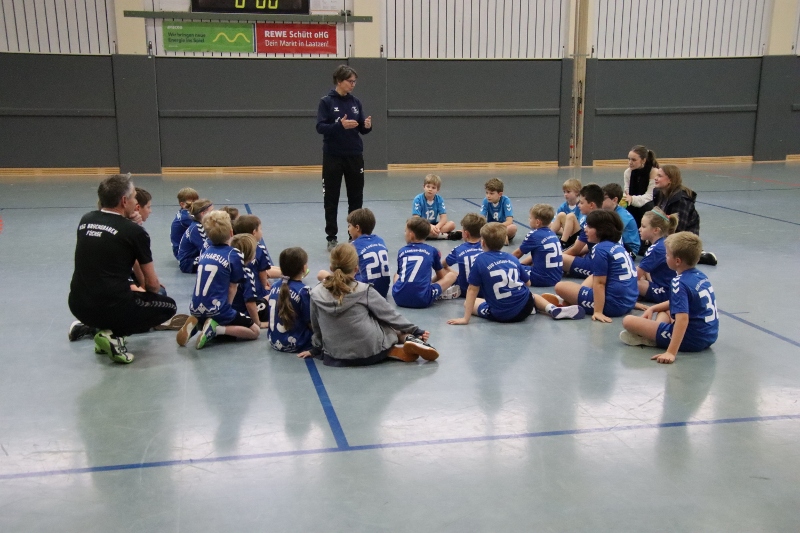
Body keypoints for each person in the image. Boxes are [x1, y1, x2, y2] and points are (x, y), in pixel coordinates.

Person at [68, 174, 177, 364]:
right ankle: (114, 335)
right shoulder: (134, 232)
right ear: (124, 201)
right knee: (167, 304)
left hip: (78, 305)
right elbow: (151, 285)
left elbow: (110, 232)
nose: (136, 202)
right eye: (134, 197)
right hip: (110, 306)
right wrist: (135, 229)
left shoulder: (86, 220)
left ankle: (98, 329)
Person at [298, 244, 439, 366]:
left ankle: (399, 345)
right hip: (370, 352)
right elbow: (390, 315)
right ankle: (406, 339)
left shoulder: (316, 292)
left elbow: (316, 325)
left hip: (335, 356)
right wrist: (415, 330)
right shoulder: (363, 290)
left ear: (331, 268)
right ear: (356, 268)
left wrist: (316, 349)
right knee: (379, 319)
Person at [620, 232, 719, 363]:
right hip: (709, 335)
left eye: (667, 255)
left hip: (692, 340)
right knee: (664, 310)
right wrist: (653, 308)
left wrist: (671, 352)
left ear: (677, 261)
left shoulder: (679, 282)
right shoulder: (700, 276)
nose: (665, 257)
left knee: (628, 321)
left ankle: (654, 338)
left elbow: (682, 319)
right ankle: (655, 332)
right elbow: (678, 303)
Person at [176, 210, 260, 350]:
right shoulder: (234, 254)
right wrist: (227, 310)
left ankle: (198, 323)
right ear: (231, 233)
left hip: (195, 306)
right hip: (218, 309)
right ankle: (216, 329)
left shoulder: (205, 251)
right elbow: (232, 287)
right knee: (254, 331)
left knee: (209, 314)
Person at [316, 64, 372, 252]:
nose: (353, 84)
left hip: (354, 155)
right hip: (333, 156)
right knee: (331, 198)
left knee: (356, 198)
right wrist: (340, 125)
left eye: (355, 81)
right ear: (339, 81)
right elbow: (320, 127)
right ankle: (331, 237)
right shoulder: (326, 102)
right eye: (350, 81)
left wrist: (366, 126)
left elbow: (361, 128)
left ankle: (354, 235)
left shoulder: (356, 102)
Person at [548, 210, 638, 323]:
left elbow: (600, 283)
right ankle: (573, 299)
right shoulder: (617, 246)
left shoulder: (600, 249)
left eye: (589, 227)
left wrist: (598, 311)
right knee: (594, 275)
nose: (585, 229)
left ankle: (569, 301)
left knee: (560, 286)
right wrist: (630, 302)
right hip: (628, 302)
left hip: (612, 306)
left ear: (602, 230)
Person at [447, 222, 534, 325]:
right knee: (529, 295)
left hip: (503, 314)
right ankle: (545, 307)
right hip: (526, 306)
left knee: (468, 303)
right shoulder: (512, 258)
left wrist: (465, 319)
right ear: (504, 241)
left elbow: (472, 290)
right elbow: (528, 283)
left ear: (482, 243)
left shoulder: (480, 260)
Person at [652, 164, 717, 266]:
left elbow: (678, 229)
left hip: (682, 238)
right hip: (666, 233)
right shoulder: (659, 194)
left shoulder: (681, 200)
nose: (655, 178)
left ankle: (700, 256)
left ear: (670, 180)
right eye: (656, 175)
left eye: (660, 176)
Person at [392, 217, 459, 308]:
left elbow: (402, 274)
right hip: (422, 300)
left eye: (405, 231)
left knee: (396, 275)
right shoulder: (433, 250)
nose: (405, 234)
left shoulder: (402, 251)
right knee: (451, 275)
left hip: (399, 298)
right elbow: (441, 276)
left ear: (411, 235)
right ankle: (439, 293)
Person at [267, 247, 313, 353]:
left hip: (273, 341)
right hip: (298, 343)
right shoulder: (303, 291)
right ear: (303, 268)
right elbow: (311, 321)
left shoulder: (274, 286)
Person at [636, 208, 679, 306]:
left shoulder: (656, 249)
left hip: (666, 292)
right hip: (673, 288)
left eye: (643, 226)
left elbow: (635, 275)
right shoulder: (663, 242)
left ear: (656, 230)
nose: (639, 229)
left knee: (627, 281)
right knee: (642, 274)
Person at [512, 204, 563, 287]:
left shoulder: (534, 235)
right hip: (556, 277)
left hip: (541, 278)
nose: (529, 220)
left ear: (537, 222)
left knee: (511, 269)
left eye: (530, 218)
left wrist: (504, 263)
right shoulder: (553, 234)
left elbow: (518, 253)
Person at [561, 183, 604, 279]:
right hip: (602, 261)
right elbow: (587, 246)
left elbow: (575, 250)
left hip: (597, 267)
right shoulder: (605, 216)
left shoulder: (592, 223)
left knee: (555, 258)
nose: (578, 205)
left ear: (591, 205)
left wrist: (556, 257)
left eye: (581, 203)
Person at [233, 214, 281, 294]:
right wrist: (264, 287)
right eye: (260, 229)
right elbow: (263, 274)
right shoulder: (259, 248)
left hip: (238, 289)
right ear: (254, 232)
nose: (262, 232)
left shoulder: (234, 245)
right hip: (254, 291)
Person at [443, 213, 486, 298]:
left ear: (466, 234)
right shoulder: (486, 247)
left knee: (443, 270)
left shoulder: (459, 249)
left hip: (464, 290)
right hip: (484, 291)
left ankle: (431, 285)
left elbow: (442, 265)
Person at [230, 234, 268, 328]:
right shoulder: (246, 274)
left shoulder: (227, 267)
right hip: (241, 314)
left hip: (224, 310)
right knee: (275, 297)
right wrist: (258, 323)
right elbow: (250, 303)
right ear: (252, 256)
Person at [412, 174, 461, 240]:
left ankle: (428, 235)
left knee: (452, 224)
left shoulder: (439, 199)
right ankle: (444, 235)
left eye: (433, 188)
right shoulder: (418, 199)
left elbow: (444, 218)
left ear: (438, 190)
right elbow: (416, 218)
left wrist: (437, 227)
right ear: (424, 187)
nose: (430, 189)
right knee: (412, 227)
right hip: (422, 225)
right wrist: (430, 226)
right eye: (428, 186)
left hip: (434, 225)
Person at [623, 145, 658, 230]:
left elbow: (649, 197)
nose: (630, 162)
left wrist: (632, 199)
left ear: (643, 160)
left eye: (634, 160)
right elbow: (627, 192)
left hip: (649, 206)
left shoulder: (653, 172)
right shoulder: (628, 172)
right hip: (633, 205)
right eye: (629, 159)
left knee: (647, 206)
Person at [602, 183, 641, 257]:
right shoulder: (610, 212)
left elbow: (608, 234)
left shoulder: (622, 215)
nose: (600, 201)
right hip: (619, 245)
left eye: (603, 198)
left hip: (630, 250)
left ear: (614, 200)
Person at [177, 198, 213, 273]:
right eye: (212, 211)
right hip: (188, 263)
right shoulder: (197, 228)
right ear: (203, 214)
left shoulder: (199, 224)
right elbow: (207, 249)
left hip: (193, 257)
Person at [480, 178, 517, 242]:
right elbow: (481, 219)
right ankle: (500, 237)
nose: (488, 196)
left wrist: (496, 227)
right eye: (487, 193)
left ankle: (495, 237)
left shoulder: (505, 200)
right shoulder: (485, 201)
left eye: (491, 193)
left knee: (513, 228)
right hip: (490, 227)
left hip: (503, 227)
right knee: (475, 226)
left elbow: (509, 221)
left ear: (500, 194)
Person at [549, 178, 583, 249]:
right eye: (564, 192)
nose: (565, 194)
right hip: (568, 233)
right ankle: (547, 239)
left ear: (577, 192)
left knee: (570, 216)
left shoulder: (581, 206)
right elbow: (554, 223)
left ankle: (563, 242)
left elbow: (581, 226)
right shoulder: (563, 206)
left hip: (578, 235)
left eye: (568, 192)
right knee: (560, 216)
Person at [170, 187, 199, 259]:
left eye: (197, 201)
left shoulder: (184, 212)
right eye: (192, 202)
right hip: (183, 254)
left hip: (181, 249)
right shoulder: (186, 217)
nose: (196, 204)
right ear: (182, 204)